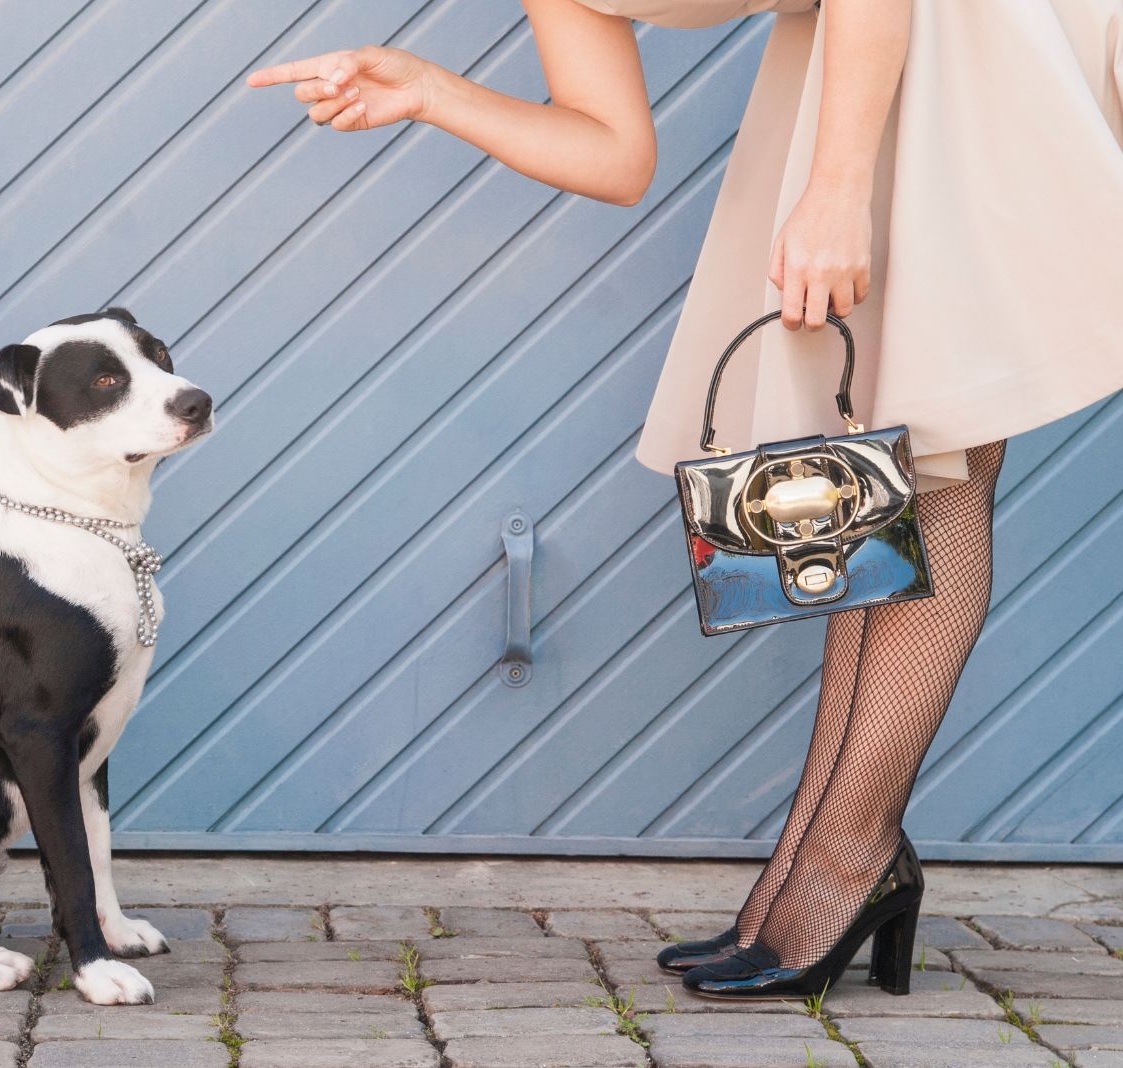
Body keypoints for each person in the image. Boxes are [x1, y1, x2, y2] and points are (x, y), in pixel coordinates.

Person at [250, 0, 1123, 999]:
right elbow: (613, 153)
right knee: (884, 467)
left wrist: (836, 193)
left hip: (973, 39)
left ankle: (848, 860)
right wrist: (432, 92)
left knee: (937, 452)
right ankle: (815, 861)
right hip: (855, 69)